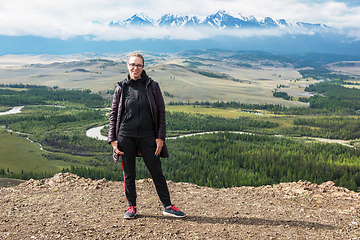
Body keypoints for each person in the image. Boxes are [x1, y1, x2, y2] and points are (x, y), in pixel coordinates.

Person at [108, 52, 186, 219]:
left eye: (139, 65)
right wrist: (113, 140)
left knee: (156, 171)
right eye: (132, 64)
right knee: (128, 173)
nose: (135, 68)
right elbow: (114, 114)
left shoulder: (152, 85)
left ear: (143, 67)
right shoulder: (121, 87)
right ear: (127, 65)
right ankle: (131, 207)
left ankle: (168, 206)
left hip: (148, 135)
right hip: (125, 135)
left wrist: (160, 137)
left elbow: (161, 112)